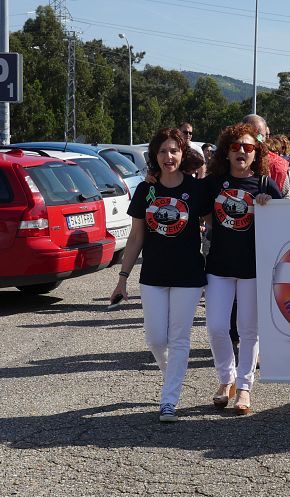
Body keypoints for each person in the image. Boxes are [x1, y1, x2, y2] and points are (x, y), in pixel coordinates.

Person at [110, 128, 207, 422]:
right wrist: (122, 277)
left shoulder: (196, 188)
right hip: (153, 274)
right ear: (154, 156)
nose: (169, 157)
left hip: (188, 275)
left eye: (174, 151)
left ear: (183, 154)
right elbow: (136, 237)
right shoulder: (146, 190)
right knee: (154, 339)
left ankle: (169, 400)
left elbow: (217, 223)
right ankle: (172, 379)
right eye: (163, 151)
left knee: (178, 338)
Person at [203, 123, 282, 414]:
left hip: (253, 268)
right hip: (218, 267)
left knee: (249, 331)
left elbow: (287, 220)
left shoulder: (264, 184)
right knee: (216, 327)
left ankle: (245, 387)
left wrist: (269, 206)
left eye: (248, 147)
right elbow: (196, 209)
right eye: (235, 146)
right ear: (226, 151)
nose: (241, 152)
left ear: (256, 153)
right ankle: (227, 379)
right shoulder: (213, 182)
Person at [242, 114, 290, 198]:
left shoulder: (278, 166)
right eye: (251, 134)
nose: (256, 139)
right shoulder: (231, 160)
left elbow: (285, 200)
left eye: (260, 135)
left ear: (266, 137)